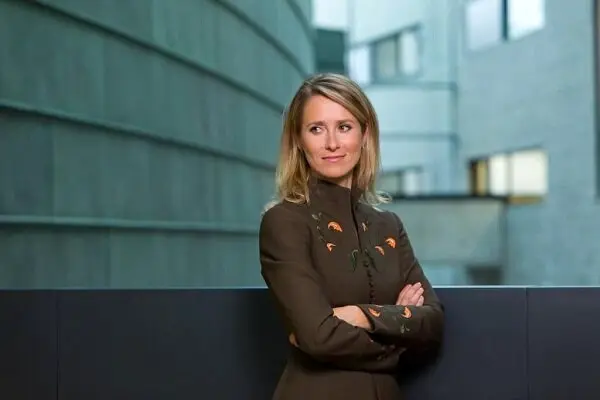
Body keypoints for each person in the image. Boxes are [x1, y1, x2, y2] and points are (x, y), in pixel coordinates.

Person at [259, 73, 444, 400]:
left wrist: (361, 316)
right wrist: (398, 329)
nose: (332, 143)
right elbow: (318, 337)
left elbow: (432, 323)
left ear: (364, 134)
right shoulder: (284, 222)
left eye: (344, 127)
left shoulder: (388, 226)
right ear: (299, 140)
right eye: (316, 129)